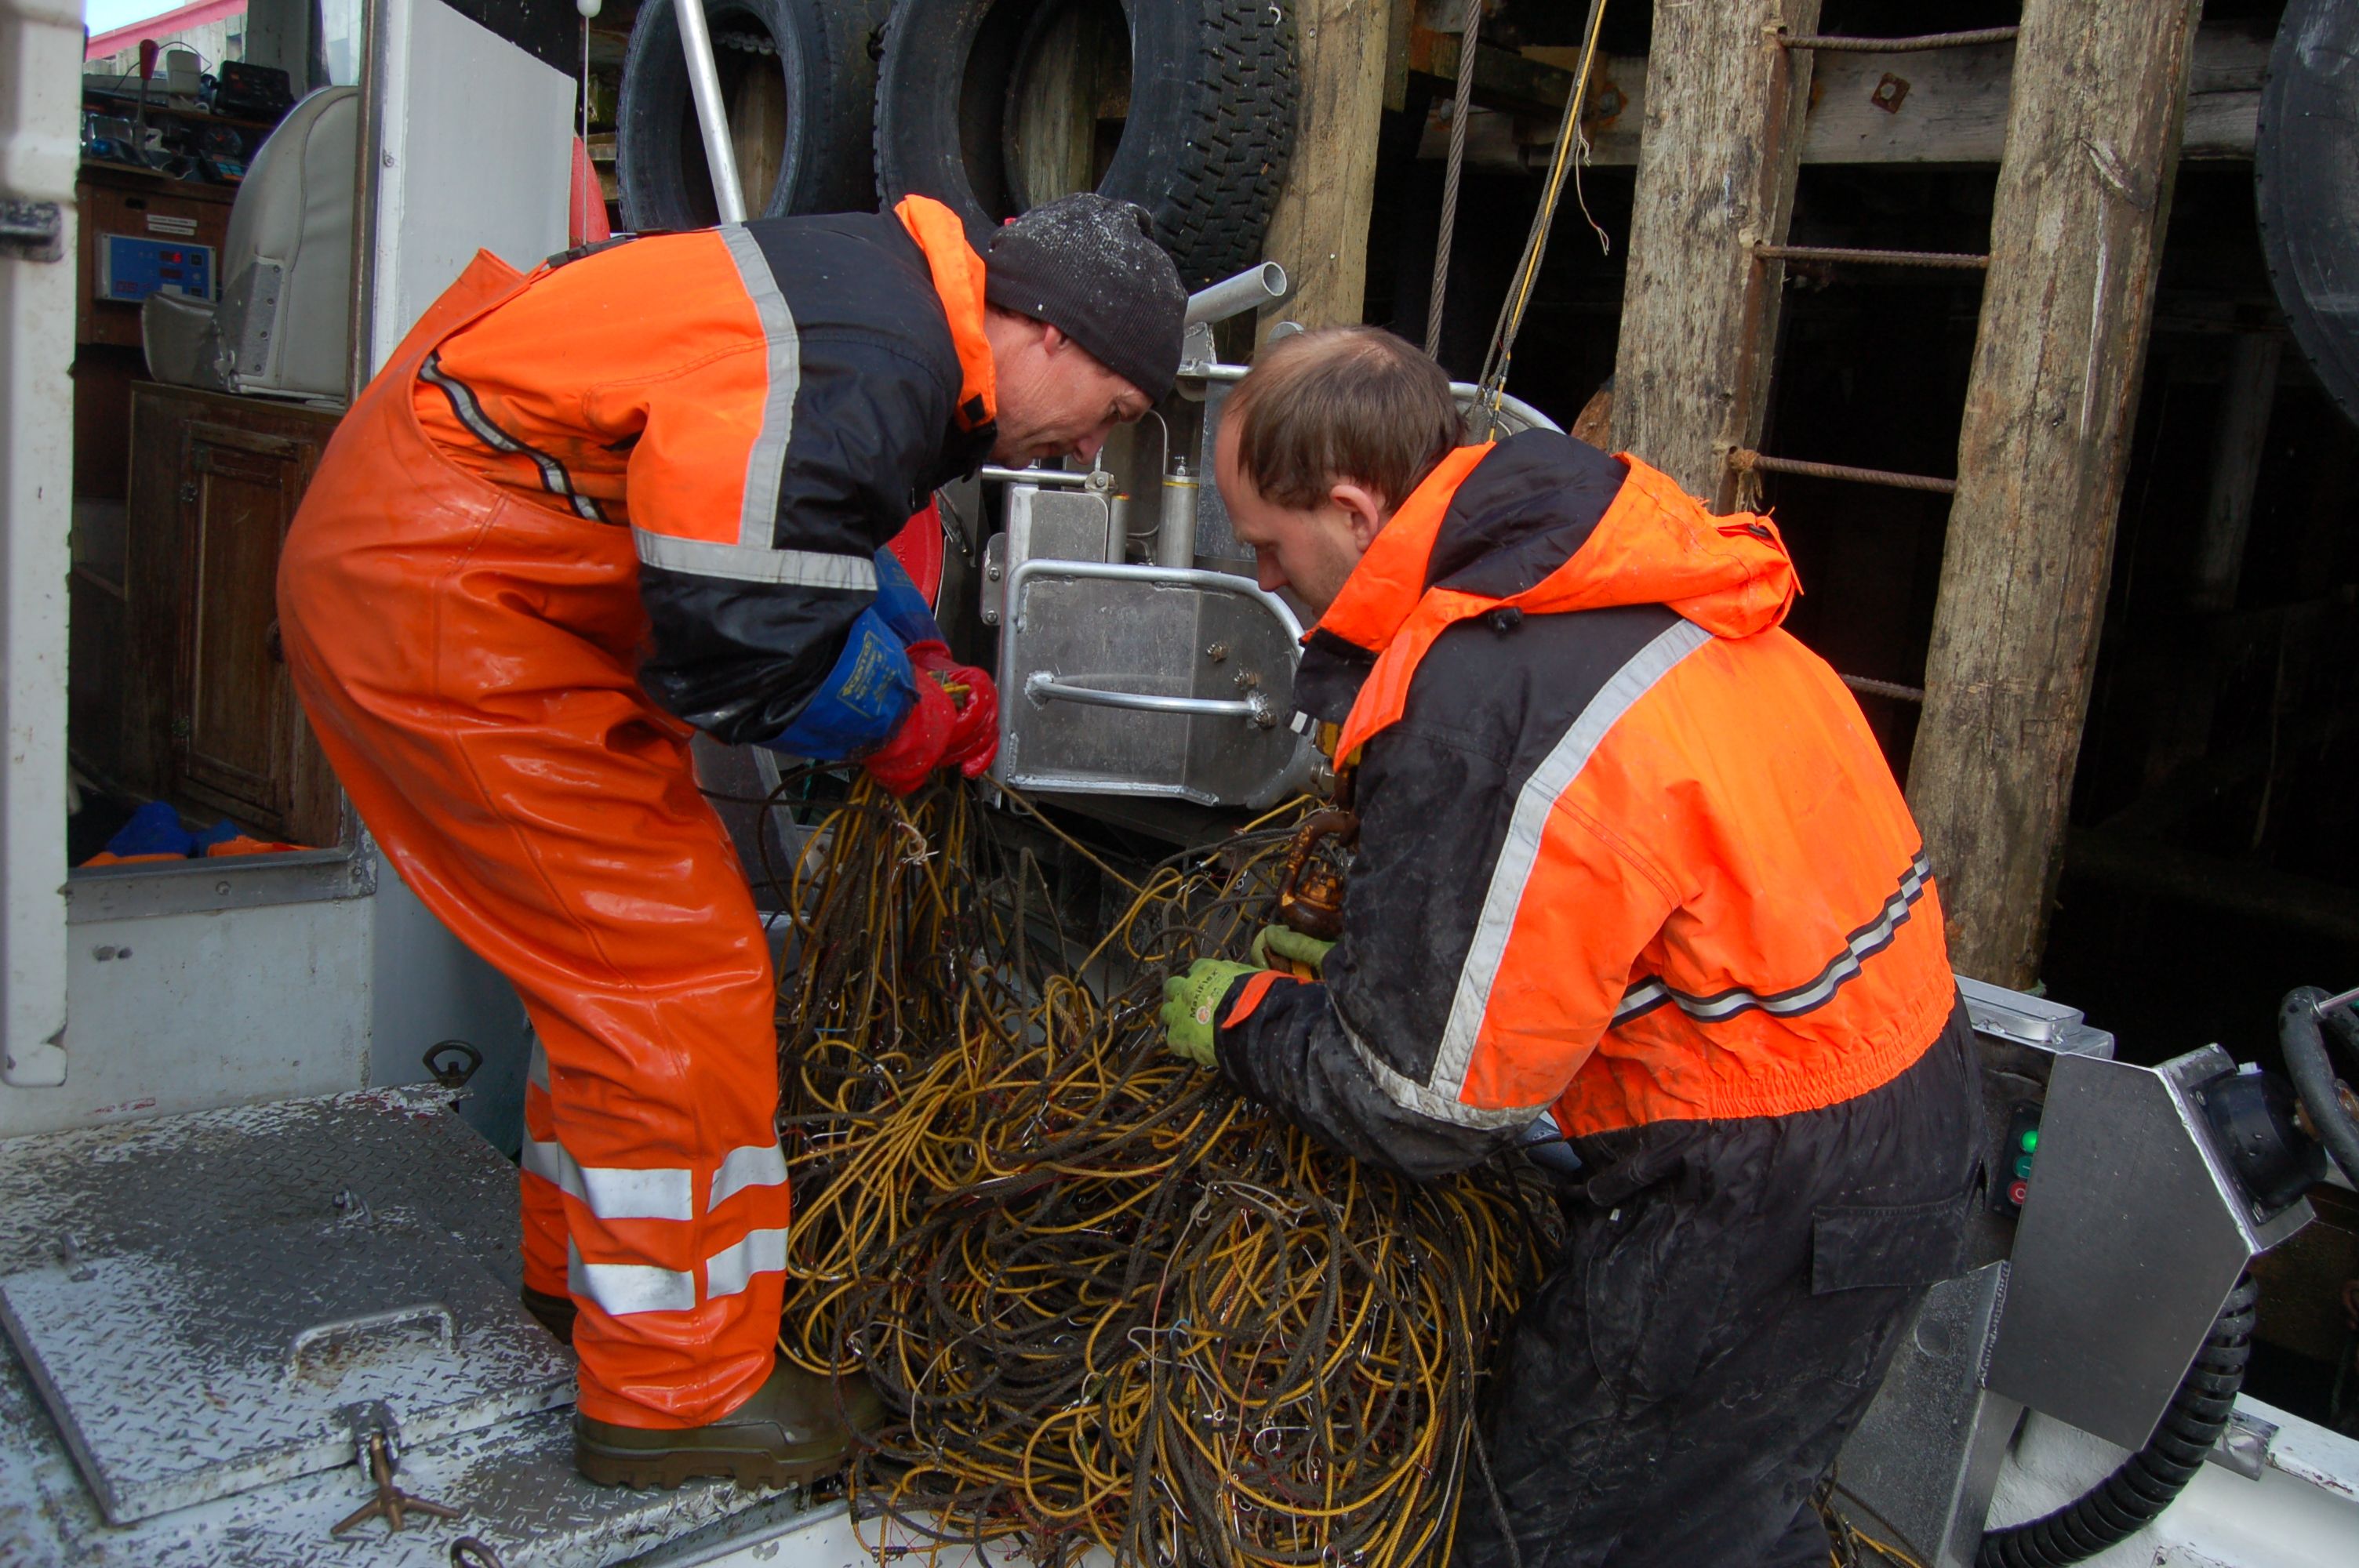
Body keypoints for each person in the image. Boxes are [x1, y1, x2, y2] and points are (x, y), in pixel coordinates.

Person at [278, 192, 1186, 1488]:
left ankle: (591, 1288)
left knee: (613, 976)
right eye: (1113, 408)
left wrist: (911, 637)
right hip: (456, 598)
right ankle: (678, 1392)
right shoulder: (886, 357)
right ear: (1051, 331)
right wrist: (904, 724)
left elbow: (785, 507)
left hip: (483, 576)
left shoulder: (879, 306)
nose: (1091, 446)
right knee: (676, 981)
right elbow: (749, 641)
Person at [1159, 327, 1983, 1567]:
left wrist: (1250, 1024)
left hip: (1764, 1187)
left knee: (1552, 1537)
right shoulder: (1611, 573)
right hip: (1904, 1106)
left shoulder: (1487, 695)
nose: (1267, 580)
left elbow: (1419, 1109)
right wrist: (1386, 964)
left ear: (1352, 509)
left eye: (1269, 546)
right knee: (1719, 1522)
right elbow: (1608, 901)